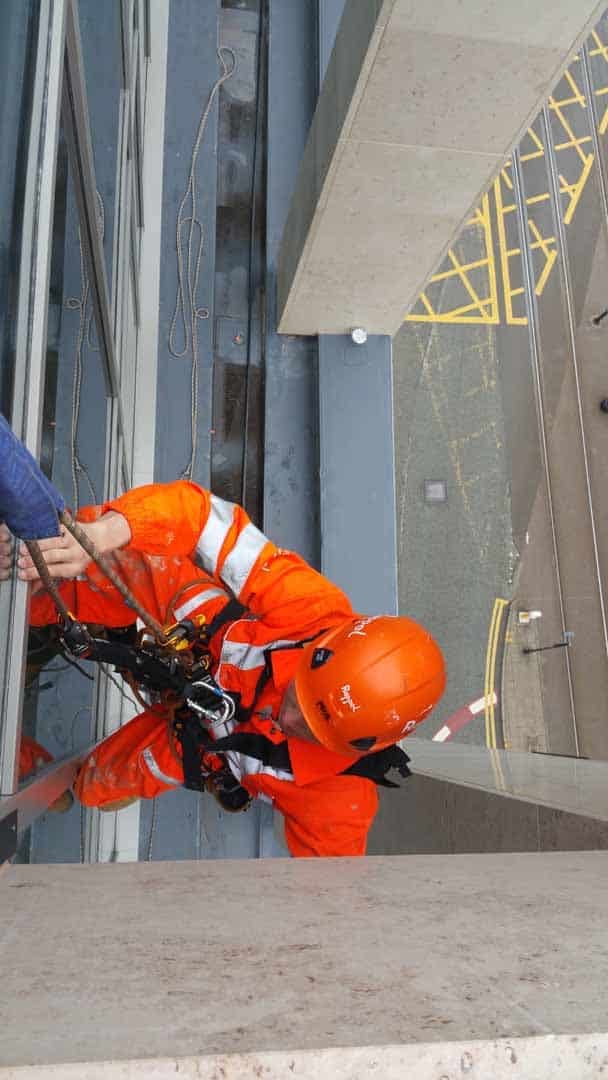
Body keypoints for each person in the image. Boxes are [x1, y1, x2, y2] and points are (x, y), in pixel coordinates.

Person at [14, 481, 447, 857]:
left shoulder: (338, 803)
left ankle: (31, 769)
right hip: (204, 639)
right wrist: (102, 534)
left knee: (97, 786)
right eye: (296, 696)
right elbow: (202, 518)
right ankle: (29, 584)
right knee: (118, 556)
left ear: (356, 747)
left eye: (310, 731)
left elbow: (328, 908)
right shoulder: (313, 609)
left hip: (200, 739)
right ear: (323, 646)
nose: (287, 718)